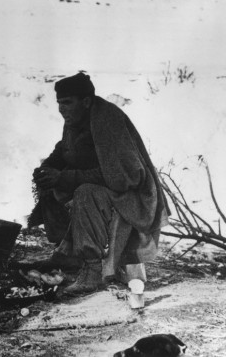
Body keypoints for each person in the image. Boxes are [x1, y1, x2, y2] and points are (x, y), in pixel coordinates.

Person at [30, 73, 169, 294]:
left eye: (67, 103)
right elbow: (66, 149)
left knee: (86, 193)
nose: (62, 109)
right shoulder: (76, 119)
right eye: (59, 104)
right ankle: (69, 255)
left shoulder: (107, 121)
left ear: (85, 101)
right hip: (110, 189)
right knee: (53, 185)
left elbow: (123, 177)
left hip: (132, 197)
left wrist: (65, 177)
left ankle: (92, 271)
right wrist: (47, 168)